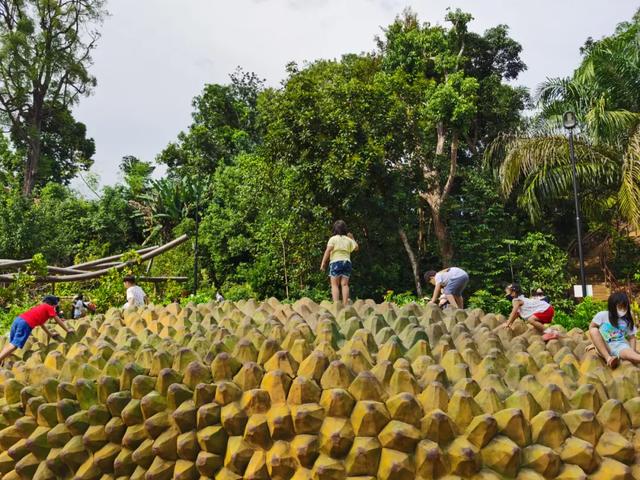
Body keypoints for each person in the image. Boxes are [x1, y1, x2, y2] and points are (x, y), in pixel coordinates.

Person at [0, 296, 74, 365]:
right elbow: (57, 319)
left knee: (11, 343)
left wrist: (50, 334)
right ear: (53, 304)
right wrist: (67, 330)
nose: (55, 308)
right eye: (56, 306)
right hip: (25, 323)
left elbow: (42, 325)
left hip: (17, 320)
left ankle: (2, 357)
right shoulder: (49, 307)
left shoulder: (40, 309)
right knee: (15, 345)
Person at [589, 292, 638, 368]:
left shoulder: (627, 320)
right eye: (620, 307)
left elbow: (631, 337)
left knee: (632, 356)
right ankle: (609, 359)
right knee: (594, 330)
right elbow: (592, 328)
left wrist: (633, 351)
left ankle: (632, 357)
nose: (623, 310)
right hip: (604, 346)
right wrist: (594, 343)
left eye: (625, 307)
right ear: (612, 306)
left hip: (620, 346)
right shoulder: (602, 315)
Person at [320, 220, 358, 303]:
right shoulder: (348, 240)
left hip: (335, 262)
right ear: (345, 229)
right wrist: (352, 238)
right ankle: (345, 305)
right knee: (345, 284)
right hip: (347, 262)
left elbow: (328, 251)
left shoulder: (333, 239)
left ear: (334, 229)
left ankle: (336, 305)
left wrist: (323, 263)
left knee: (334, 285)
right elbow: (356, 248)